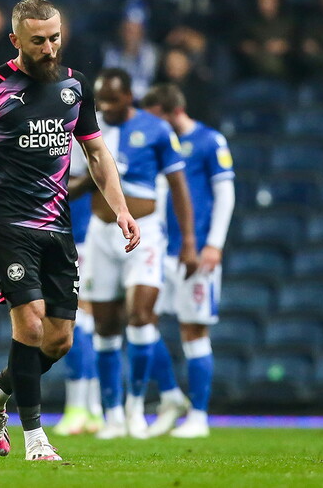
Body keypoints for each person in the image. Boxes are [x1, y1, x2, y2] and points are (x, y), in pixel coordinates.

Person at [0, 0, 139, 461]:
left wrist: (121, 209)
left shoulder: (75, 86)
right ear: (15, 40)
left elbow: (96, 154)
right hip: (10, 223)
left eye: (55, 37)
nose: (49, 47)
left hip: (58, 225)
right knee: (30, 324)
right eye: (38, 40)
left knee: (59, 339)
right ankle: (36, 439)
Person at [81, 68, 197, 440]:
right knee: (104, 326)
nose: (105, 107)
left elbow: (179, 187)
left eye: (111, 100)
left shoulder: (157, 130)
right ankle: (112, 414)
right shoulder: (89, 128)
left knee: (141, 315)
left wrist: (189, 241)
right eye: (100, 100)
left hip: (144, 235)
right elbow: (89, 179)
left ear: (129, 96)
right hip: (100, 234)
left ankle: (135, 409)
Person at [141, 84, 234, 438]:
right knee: (142, 322)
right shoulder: (161, 145)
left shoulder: (211, 141)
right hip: (161, 248)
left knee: (193, 332)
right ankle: (171, 396)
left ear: (169, 112)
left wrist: (214, 244)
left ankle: (198, 416)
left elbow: (225, 194)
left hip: (197, 253)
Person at [52, 140, 104, 437]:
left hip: (83, 238)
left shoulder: (81, 135)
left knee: (77, 321)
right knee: (82, 323)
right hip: (65, 237)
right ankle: (94, 408)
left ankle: (80, 408)